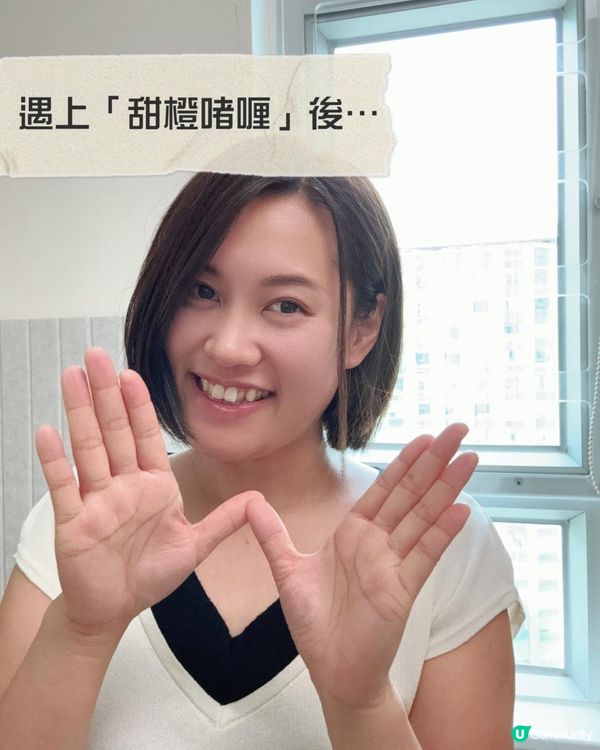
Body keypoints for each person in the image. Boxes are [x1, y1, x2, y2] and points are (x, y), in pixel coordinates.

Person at [0, 174, 524, 749]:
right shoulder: (79, 523)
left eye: (286, 305)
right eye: (203, 291)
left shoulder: (442, 547)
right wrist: (81, 632)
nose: (227, 346)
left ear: (362, 329)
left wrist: (360, 703)